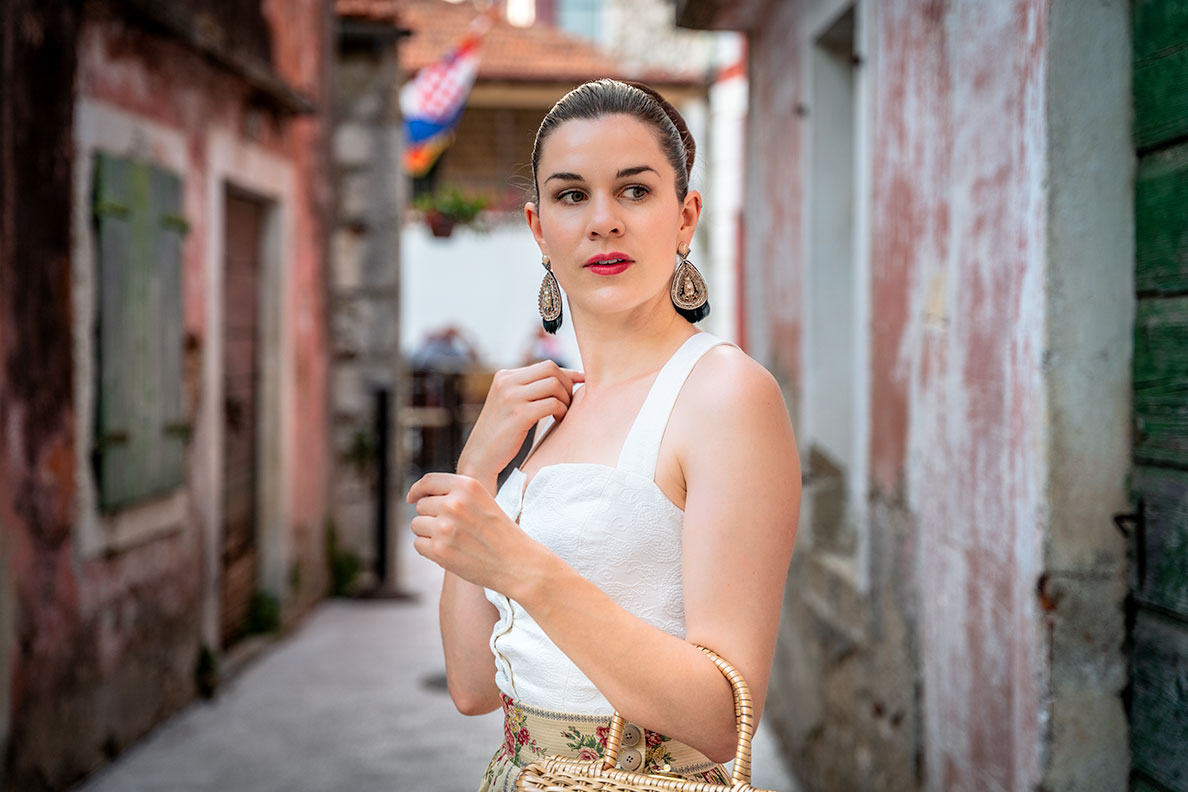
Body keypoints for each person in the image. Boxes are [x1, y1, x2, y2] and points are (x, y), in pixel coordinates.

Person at [406, 79, 801, 791]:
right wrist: (477, 471)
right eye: (570, 195)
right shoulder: (549, 418)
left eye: (635, 191)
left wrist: (522, 566)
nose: (603, 221)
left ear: (686, 218)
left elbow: (723, 719)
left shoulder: (724, 395)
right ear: (538, 229)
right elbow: (471, 685)